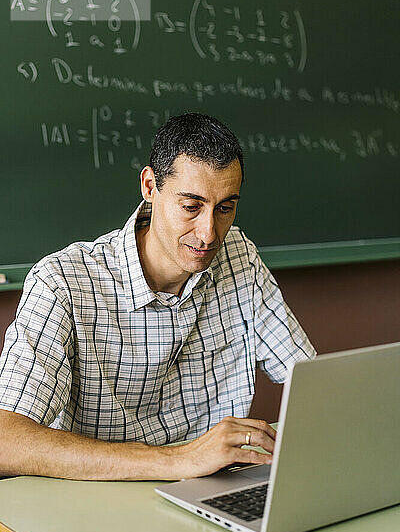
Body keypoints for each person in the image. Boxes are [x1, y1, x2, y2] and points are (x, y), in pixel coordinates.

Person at [0, 112, 315, 482]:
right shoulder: (62, 282)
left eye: (225, 208)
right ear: (150, 187)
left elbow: (313, 380)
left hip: (209, 497)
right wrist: (179, 460)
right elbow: (6, 441)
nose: (209, 233)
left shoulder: (238, 255)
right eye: (191, 206)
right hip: (98, 507)